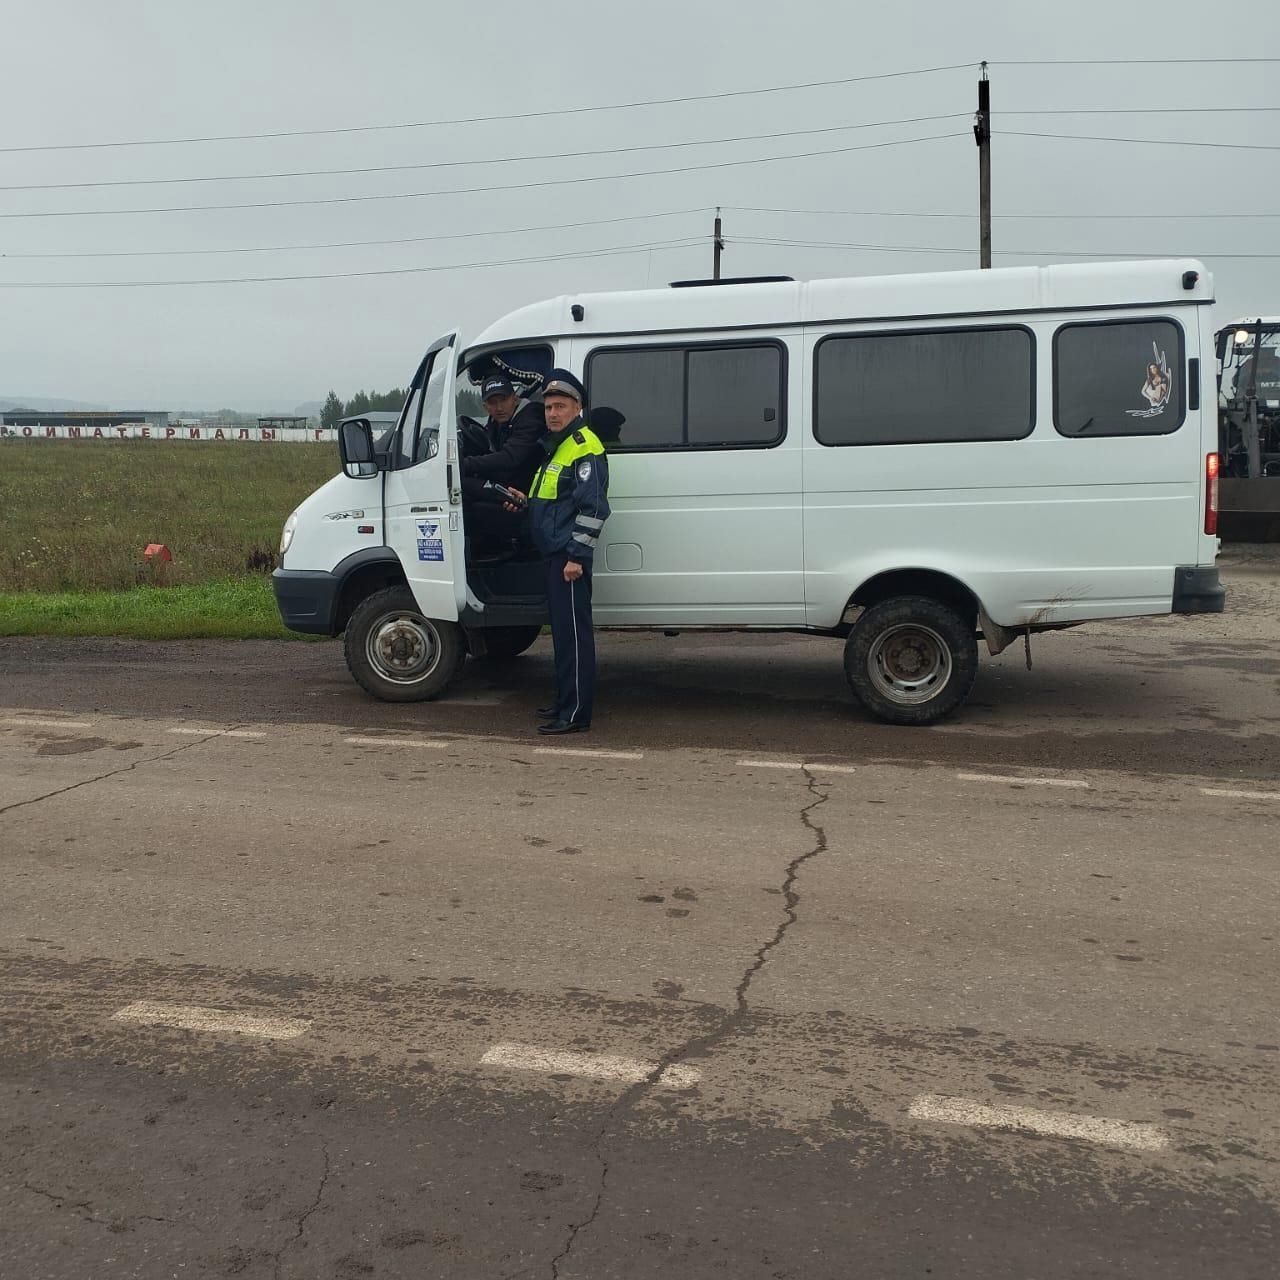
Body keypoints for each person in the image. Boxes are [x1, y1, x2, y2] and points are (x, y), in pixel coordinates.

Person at [521, 368, 610, 735]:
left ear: (578, 407)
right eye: (548, 407)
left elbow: (594, 510)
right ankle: (564, 701)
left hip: (567, 560)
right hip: (555, 557)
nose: (552, 413)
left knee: (574, 638)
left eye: (560, 405)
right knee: (561, 634)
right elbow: (555, 501)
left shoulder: (585, 447)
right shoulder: (560, 445)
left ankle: (575, 715)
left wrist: (576, 557)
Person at [460, 374, 546, 552]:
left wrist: (464, 464)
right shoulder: (498, 421)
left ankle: (485, 549)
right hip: (511, 484)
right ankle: (486, 549)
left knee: (460, 484)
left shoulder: (531, 416)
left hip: (527, 494)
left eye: (503, 399)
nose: (499, 407)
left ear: (514, 398)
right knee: (464, 486)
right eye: (492, 402)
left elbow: (510, 457)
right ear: (485, 407)